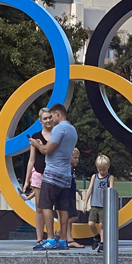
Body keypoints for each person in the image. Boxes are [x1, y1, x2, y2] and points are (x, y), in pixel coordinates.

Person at [30, 103, 78, 251]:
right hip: (66, 174)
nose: (51, 119)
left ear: (58, 114)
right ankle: (63, 239)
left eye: (52, 116)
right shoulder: (72, 130)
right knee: (63, 208)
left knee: (45, 205)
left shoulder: (59, 128)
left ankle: (50, 239)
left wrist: (36, 144)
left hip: (52, 174)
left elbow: (46, 150)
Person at [22, 108, 53, 246]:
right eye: (45, 118)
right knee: (40, 208)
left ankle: (51, 236)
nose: (48, 120)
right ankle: (40, 238)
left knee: (51, 207)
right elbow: (31, 159)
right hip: (39, 174)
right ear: (40, 121)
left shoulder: (57, 135)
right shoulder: (35, 136)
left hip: (53, 174)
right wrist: (26, 180)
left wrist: (42, 146)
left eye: (49, 117)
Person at [83, 154, 114, 253]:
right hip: (94, 204)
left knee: (102, 225)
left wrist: (110, 204)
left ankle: (102, 243)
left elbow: (111, 190)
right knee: (91, 223)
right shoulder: (94, 177)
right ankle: (96, 237)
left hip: (103, 206)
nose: (101, 172)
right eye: (100, 170)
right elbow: (90, 189)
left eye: (103, 170)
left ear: (108, 167)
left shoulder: (110, 177)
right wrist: (85, 203)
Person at [66, 148, 84, 248]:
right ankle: (62, 231)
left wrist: (77, 190)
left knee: (71, 217)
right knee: (73, 217)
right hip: (67, 197)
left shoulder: (71, 170)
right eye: (75, 158)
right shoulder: (66, 169)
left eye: (78, 158)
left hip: (71, 196)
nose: (77, 160)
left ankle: (69, 238)